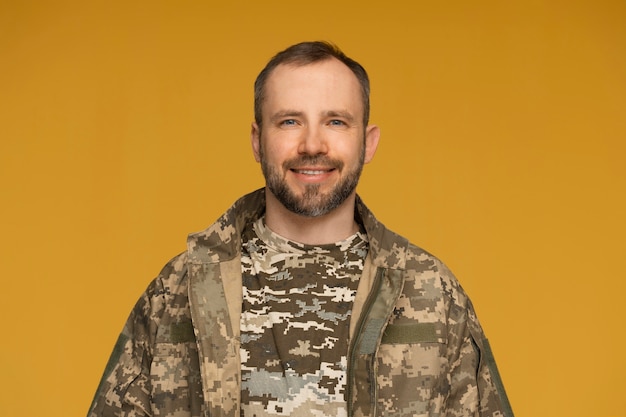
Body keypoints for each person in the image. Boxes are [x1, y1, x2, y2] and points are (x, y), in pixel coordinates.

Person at [87, 41, 513, 417]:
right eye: (289, 121)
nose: (312, 144)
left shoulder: (432, 293)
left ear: (369, 142)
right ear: (257, 140)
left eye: (336, 122)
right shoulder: (179, 290)